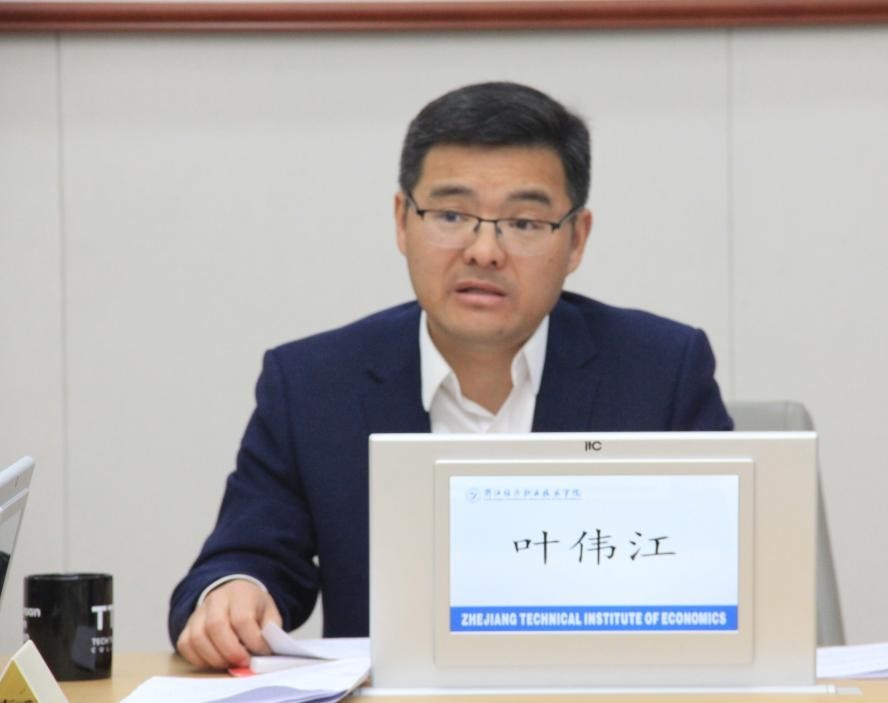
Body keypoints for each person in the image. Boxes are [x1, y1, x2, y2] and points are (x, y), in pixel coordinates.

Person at [169, 81, 733, 670]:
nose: (484, 251)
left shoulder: (661, 371)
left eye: (524, 222)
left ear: (576, 240)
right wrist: (233, 594)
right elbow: (245, 556)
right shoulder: (313, 383)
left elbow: (727, 569)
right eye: (451, 215)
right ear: (401, 221)